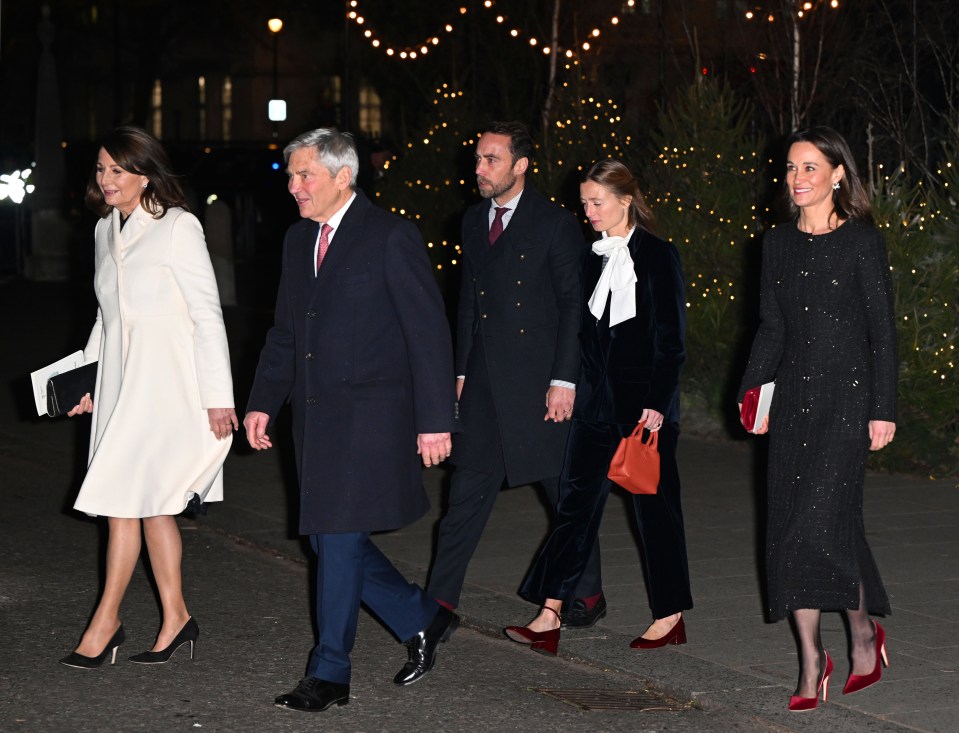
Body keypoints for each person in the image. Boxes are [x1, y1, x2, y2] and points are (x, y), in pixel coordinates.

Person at [243, 128, 458, 713]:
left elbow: (428, 334)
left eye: (305, 175)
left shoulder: (391, 235)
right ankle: (421, 617)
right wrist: (264, 399)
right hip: (315, 420)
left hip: (372, 419)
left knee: (336, 540)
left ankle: (330, 672)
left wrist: (436, 419)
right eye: (290, 176)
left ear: (344, 176)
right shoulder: (295, 241)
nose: (293, 186)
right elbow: (287, 330)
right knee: (324, 538)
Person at [60, 126, 237, 669]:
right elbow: (105, 316)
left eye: (117, 170)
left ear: (144, 173)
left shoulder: (178, 227)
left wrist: (218, 397)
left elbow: (207, 314)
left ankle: (104, 623)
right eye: (100, 169)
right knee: (144, 505)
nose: (106, 180)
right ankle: (177, 617)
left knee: (130, 502)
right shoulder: (101, 232)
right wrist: (86, 381)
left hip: (166, 385)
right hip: (119, 381)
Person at [737, 126, 897, 712]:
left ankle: (859, 634)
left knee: (817, 524)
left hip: (848, 403)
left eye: (810, 168)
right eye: (790, 168)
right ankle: (812, 658)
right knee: (789, 528)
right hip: (793, 401)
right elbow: (772, 327)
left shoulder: (861, 243)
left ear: (837, 175)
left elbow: (883, 333)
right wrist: (751, 388)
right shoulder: (775, 243)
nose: (796, 179)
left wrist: (884, 409)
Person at [504, 159, 691, 655]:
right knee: (575, 508)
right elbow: (583, 335)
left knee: (654, 514)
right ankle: (549, 615)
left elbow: (671, 343)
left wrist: (657, 403)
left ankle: (669, 616)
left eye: (596, 201)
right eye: (584, 201)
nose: (587, 211)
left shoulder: (658, 256)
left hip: (644, 412)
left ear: (625, 200)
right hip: (594, 406)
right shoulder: (590, 258)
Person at [426, 121, 606, 628]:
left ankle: (587, 594)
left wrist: (565, 380)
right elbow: (467, 301)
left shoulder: (555, 223)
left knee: (563, 496)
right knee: (464, 493)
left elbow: (575, 305)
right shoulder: (470, 221)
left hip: (539, 383)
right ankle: (437, 602)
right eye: (478, 159)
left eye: (491, 160)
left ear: (521, 166)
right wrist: (458, 370)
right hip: (484, 382)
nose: (479, 169)